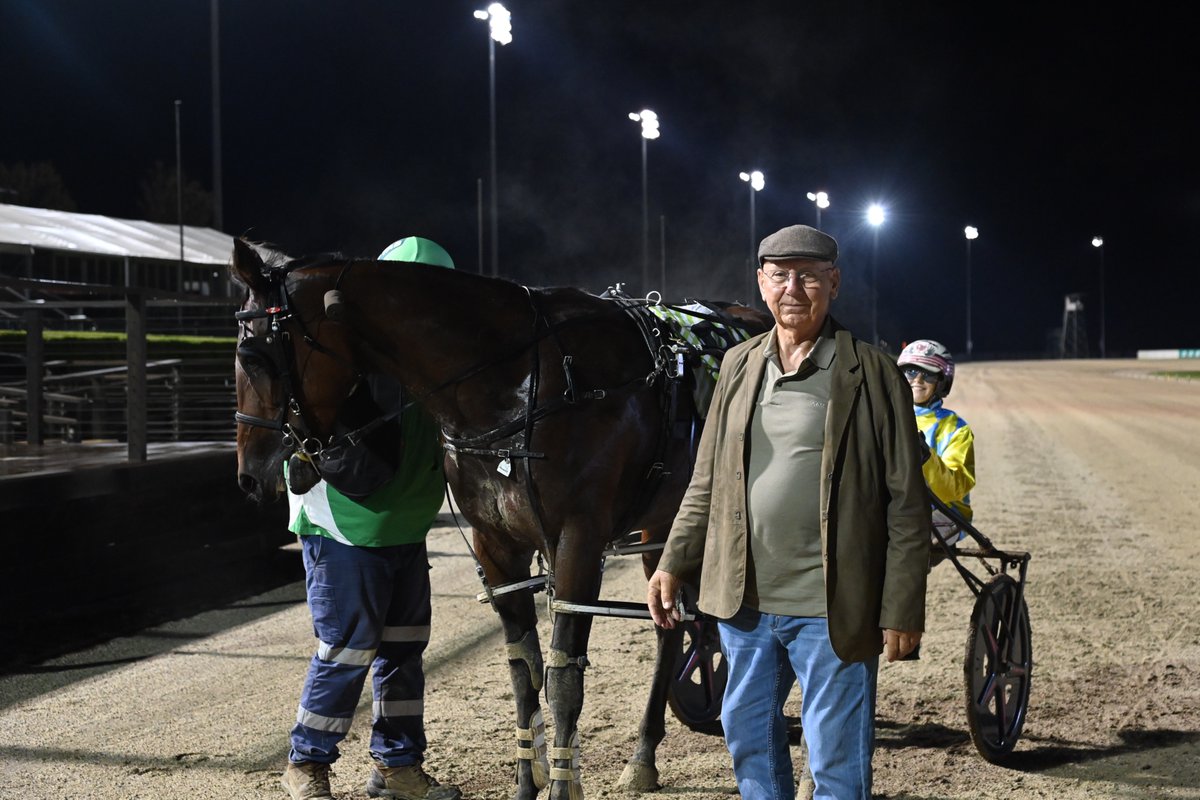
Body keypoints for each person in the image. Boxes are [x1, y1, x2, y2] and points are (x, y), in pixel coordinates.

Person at [646, 224, 931, 800]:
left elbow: (906, 501)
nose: (792, 289)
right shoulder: (737, 365)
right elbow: (707, 480)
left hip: (832, 605)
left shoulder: (872, 372)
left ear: (834, 282)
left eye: (807, 276)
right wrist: (672, 562)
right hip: (745, 604)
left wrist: (902, 607)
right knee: (748, 738)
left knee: (836, 761)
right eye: (779, 276)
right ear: (761, 282)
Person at [280, 237, 461, 800]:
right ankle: (307, 764)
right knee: (347, 649)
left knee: (403, 649)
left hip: (404, 526)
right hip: (344, 524)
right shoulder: (342, 347)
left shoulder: (438, 354)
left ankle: (397, 767)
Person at [896, 339, 975, 545]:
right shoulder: (887, 417)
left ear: (942, 383)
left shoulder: (956, 428)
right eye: (910, 372)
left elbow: (953, 489)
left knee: (904, 537)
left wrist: (926, 458)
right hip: (899, 509)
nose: (918, 380)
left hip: (947, 512)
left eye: (928, 374)